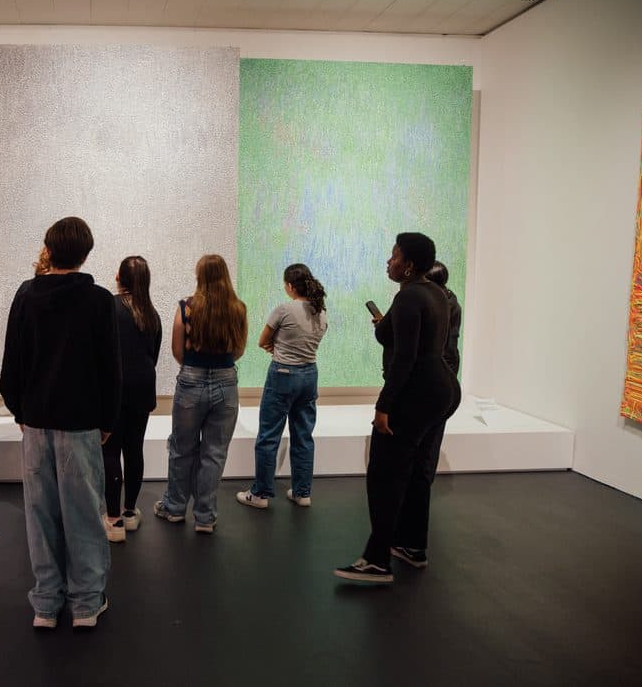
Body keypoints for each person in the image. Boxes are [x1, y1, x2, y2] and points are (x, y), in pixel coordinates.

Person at [0, 216, 121, 630]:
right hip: (82, 422)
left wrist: (20, 410)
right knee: (85, 512)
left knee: (40, 513)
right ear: (87, 253)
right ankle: (86, 603)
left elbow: (12, 363)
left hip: (35, 422)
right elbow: (111, 369)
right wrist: (107, 420)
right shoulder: (101, 301)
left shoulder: (26, 296)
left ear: (47, 250)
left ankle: (46, 605)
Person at [334, 233, 461, 584]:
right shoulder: (436, 293)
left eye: (393, 256)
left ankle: (376, 560)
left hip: (416, 392)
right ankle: (411, 545)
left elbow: (405, 359)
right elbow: (413, 339)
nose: (388, 262)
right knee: (418, 471)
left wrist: (383, 406)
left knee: (384, 475)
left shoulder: (407, 298)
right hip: (444, 389)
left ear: (408, 265)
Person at [154, 254, 247, 534]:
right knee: (214, 453)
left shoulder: (186, 308)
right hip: (226, 382)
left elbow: (177, 351)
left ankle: (175, 508)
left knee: (182, 448)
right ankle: (205, 516)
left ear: (200, 276)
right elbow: (239, 349)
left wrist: (195, 367)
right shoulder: (238, 309)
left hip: (191, 380)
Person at [237, 264, 327, 510]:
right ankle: (302, 492)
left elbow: (262, 340)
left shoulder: (284, 309)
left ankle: (261, 494)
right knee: (304, 435)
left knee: (269, 436)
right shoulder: (321, 311)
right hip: (310, 375)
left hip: (283, 375)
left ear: (290, 286)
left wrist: (276, 349)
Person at [101, 256, 162, 543]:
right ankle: (130, 512)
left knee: (110, 451)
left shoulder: (108, 307)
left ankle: (113, 520)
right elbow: (154, 356)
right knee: (134, 449)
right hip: (143, 388)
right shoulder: (152, 313)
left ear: (119, 277)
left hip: (113, 389)